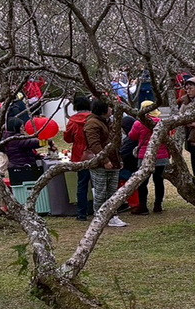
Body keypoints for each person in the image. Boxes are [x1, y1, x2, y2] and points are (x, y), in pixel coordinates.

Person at [83, 98, 126, 227]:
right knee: (101, 192)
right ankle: (100, 217)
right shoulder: (92, 123)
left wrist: (118, 159)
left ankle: (112, 215)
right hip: (101, 164)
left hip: (113, 161)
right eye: (109, 107)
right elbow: (94, 144)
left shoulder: (108, 121)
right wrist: (105, 160)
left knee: (112, 192)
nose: (111, 110)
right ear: (103, 109)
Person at [129, 101, 169, 214]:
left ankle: (143, 206)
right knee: (159, 181)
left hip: (144, 156)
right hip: (161, 156)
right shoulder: (162, 122)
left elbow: (132, 136)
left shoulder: (138, 123)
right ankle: (158, 205)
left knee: (143, 182)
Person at [63, 95, 94, 220]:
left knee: (82, 184)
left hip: (79, 155)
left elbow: (68, 138)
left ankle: (82, 213)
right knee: (99, 183)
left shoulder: (73, 121)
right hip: (96, 152)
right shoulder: (95, 118)